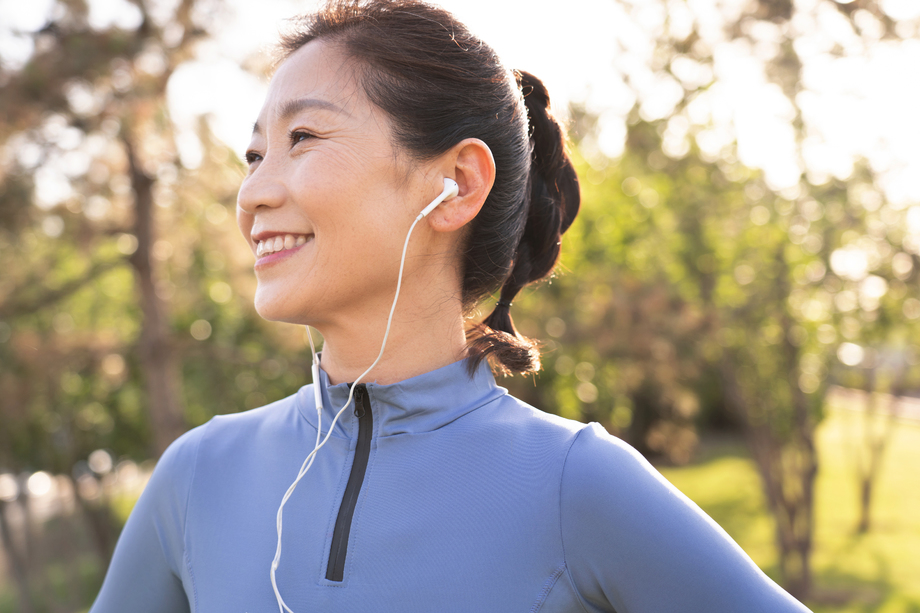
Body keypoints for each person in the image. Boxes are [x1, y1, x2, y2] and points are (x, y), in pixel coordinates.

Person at [91, 1, 813, 611]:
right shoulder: (198, 475)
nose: (251, 194)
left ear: (458, 184)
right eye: (254, 156)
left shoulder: (575, 483)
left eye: (302, 138)